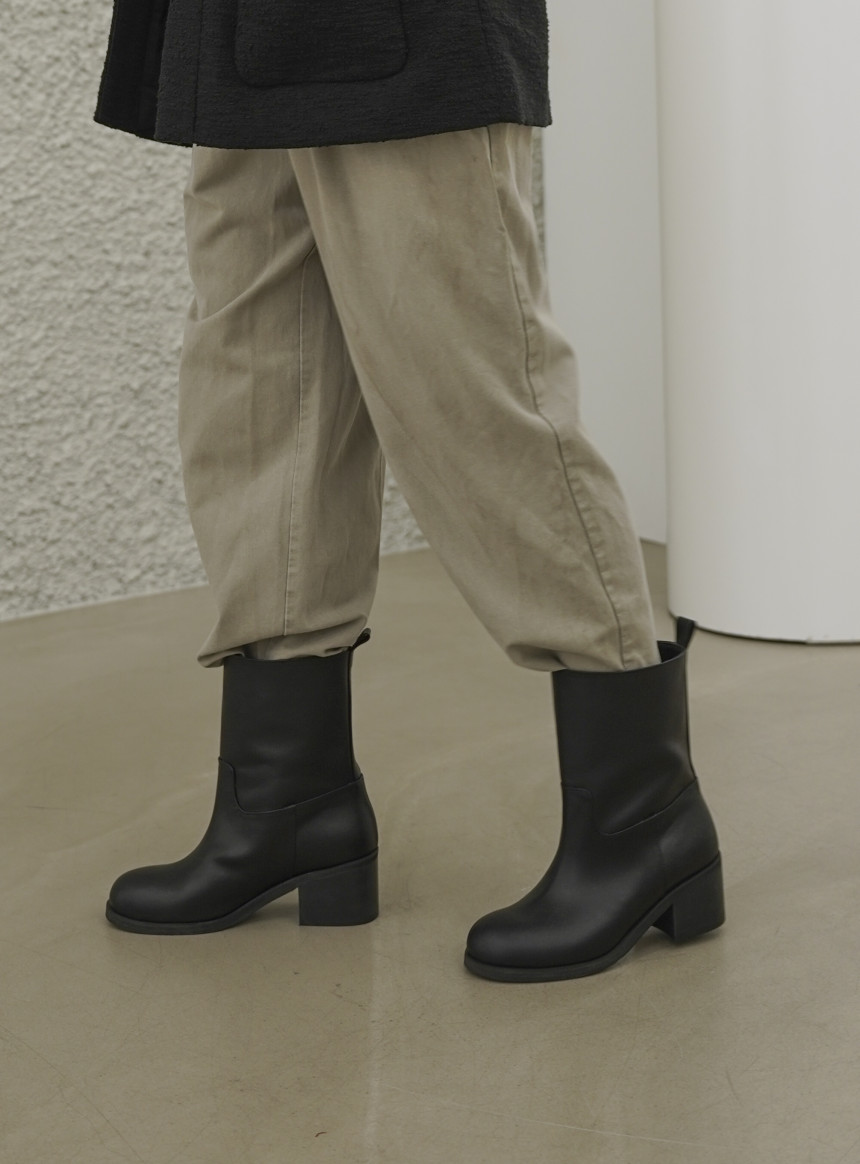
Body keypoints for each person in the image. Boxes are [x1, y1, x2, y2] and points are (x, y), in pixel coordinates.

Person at [91, 0, 724, 981]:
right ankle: (288, 803)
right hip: (237, 31)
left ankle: (643, 816)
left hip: (401, 31)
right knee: (254, 386)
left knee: (461, 380)